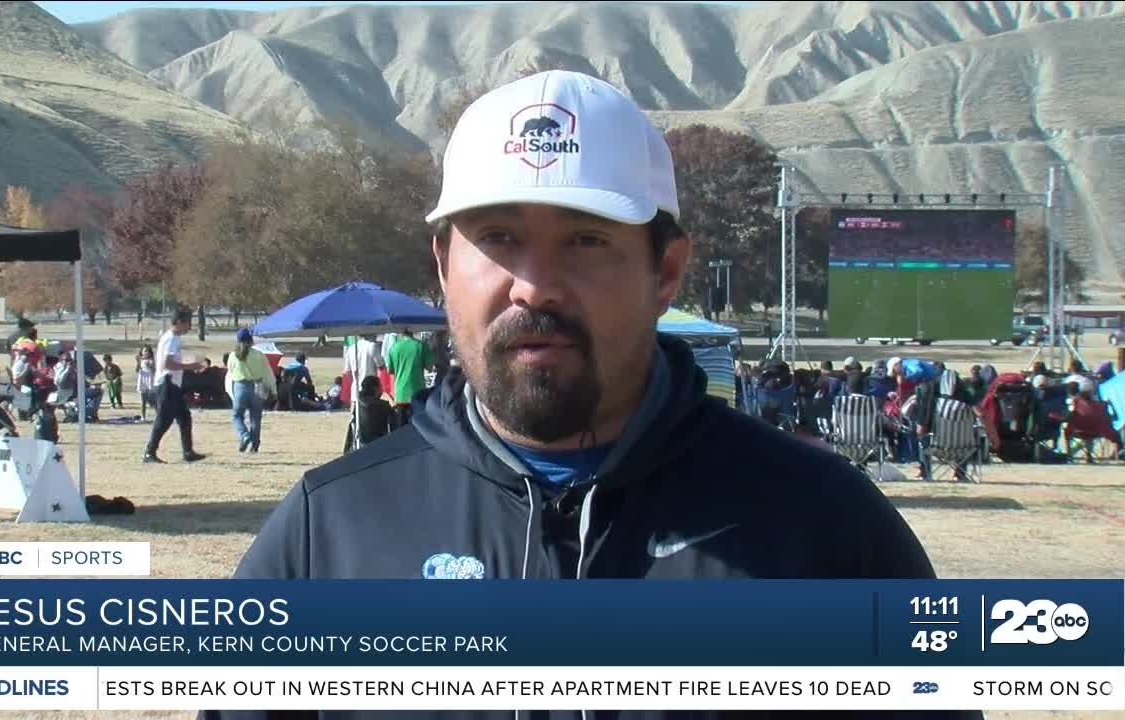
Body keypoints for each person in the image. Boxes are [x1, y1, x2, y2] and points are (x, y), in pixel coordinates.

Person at [210, 70, 972, 720]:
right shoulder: (328, 532)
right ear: (444, 265)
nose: (534, 285)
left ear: (666, 271)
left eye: (585, 239)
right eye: (499, 238)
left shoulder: (824, 529)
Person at [143, 310, 206, 464]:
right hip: (167, 383)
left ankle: (188, 451)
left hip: (173, 385)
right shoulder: (171, 339)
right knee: (163, 420)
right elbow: (167, 364)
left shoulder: (172, 338)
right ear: (178, 322)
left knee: (184, 417)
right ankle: (149, 452)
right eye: (187, 323)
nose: (189, 327)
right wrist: (192, 366)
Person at [227, 328, 276, 453]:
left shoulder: (233, 355)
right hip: (258, 386)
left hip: (240, 386)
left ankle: (244, 435)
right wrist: (274, 390)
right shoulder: (259, 355)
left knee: (237, 415)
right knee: (255, 417)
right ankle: (255, 445)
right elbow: (268, 374)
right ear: (251, 340)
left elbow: (230, 373)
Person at [384, 328, 433, 427]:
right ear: (413, 331)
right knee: (419, 426)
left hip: (400, 392)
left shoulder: (394, 347)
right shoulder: (421, 346)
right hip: (418, 391)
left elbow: (390, 371)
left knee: (402, 426)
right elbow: (429, 368)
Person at [135, 345, 155, 419]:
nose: (146, 352)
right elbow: (137, 370)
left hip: (150, 381)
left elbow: (154, 371)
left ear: (150, 352)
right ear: (141, 352)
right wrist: (138, 362)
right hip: (142, 381)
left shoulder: (152, 360)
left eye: (147, 351)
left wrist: (150, 366)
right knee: (143, 401)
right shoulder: (140, 360)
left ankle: (158, 416)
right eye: (144, 351)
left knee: (153, 401)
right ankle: (143, 417)